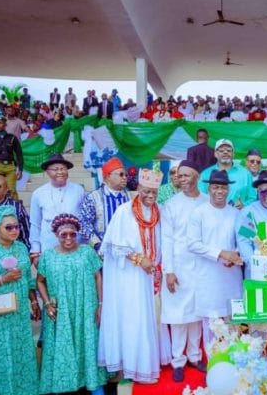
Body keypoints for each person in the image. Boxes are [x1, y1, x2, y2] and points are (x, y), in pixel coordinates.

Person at [98, 168, 164, 384]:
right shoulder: (124, 211)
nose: (150, 196)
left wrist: (156, 266)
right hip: (129, 277)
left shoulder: (159, 212)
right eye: (146, 191)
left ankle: (143, 364)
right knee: (130, 317)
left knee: (148, 318)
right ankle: (126, 366)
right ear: (138, 189)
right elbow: (114, 246)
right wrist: (139, 260)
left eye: (154, 192)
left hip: (150, 275)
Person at [37, 214, 106, 394]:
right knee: (63, 343)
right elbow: (39, 281)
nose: (69, 238)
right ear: (56, 235)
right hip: (62, 310)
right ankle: (64, 385)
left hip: (86, 306)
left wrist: (100, 304)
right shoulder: (48, 256)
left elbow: (98, 276)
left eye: (72, 234)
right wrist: (46, 304)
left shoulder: (87, 252)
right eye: (64, 235)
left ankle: (94, 383)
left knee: (88, 342)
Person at [0, 205, 40, 395]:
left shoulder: (20, 248)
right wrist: (3, 279)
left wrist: (34, 301)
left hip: (17, 315)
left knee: (21, 357)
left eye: (17, 226)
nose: (14, 231)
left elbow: (28, 278)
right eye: (8, 227)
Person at [161, 161, 208, 382]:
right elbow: (166, 240)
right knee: (178, 316)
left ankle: (195, 356)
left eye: (187, 175)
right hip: (178, 266)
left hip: (202, 266)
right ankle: (177, 360)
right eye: (179, 176)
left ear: (197, 177)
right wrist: (168, 270)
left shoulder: (207, 202)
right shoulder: (171, 204)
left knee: (197, 314)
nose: (182, 179)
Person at [187, 170, 242, 344]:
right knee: (212, 324)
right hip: (209, 277)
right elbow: (193, 243)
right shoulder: (199, 213)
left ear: (228, 190)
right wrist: (221, 253)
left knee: (233, 322)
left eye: (223, 187)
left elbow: (245, 238)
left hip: (232, 276)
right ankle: (214, 365)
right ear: (209, 188)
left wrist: (237, 254)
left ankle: (235, 364)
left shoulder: (236, 213)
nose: (220, 191)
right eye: (216, 187)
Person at [30, 154, 85, 264]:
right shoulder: (38, 193)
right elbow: (35, 223)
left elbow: (84, 220)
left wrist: (84, 245)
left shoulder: (79, 190)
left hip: (74, 244)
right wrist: (35, 250)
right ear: (47, 172)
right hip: (49, 245)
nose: (60, 172)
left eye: (63, 168)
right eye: (55, 169)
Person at [79, 157, 131, 251]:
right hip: (101, 252)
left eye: (126, 175)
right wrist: (97, 244)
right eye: (121, 174)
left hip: (127, 252)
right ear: (107, 176)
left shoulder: (130, 197)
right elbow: (84, 223)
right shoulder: (93, 197)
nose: (125, 178)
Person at [199, 139, 256, 208]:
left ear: (233, 154)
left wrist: (244, 205)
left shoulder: (245, 174)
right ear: (215, 154)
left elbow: (252, 198)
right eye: (221, 150)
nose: (225, 152)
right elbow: (200, 197)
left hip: (238, 216)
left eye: (229, 150)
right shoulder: (205, 174)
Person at [0, 116, 24, 199]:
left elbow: (19, 154)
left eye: (0, 123)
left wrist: (20, 170)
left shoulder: (12, 138)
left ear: (5, 125)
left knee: (11, 190)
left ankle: (14, 210)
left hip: (10, 167)